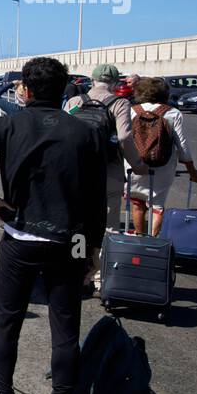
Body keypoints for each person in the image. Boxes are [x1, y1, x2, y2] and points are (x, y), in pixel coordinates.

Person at [0, 57, 107, 394]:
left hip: (21, 236)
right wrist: (93, 245)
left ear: (24, 88)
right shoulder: (84, 132)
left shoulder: (8, 125)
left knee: (7, 320)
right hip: (69, 241)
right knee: (66, 326)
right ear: (65, 90)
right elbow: (96, 197)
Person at [64, 64, 146, 287]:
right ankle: (101, 278)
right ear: (115, 83)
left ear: (92, 80)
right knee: (108, 227)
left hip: (77, 173)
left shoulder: (75, 103)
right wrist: (137, 165)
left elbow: (62, 132)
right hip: (108, 172)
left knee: (78, 225)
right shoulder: (119, 103)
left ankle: (77, 273)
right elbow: (123, 138)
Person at [128, 76, 197, 235]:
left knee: (137, 203)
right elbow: (182, 144)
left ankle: (139, 239)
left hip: (135, 164)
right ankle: (152, 241)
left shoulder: (131, 110)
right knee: (157, 206)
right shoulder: (172, 113)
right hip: (162, 166)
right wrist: (192, 170)